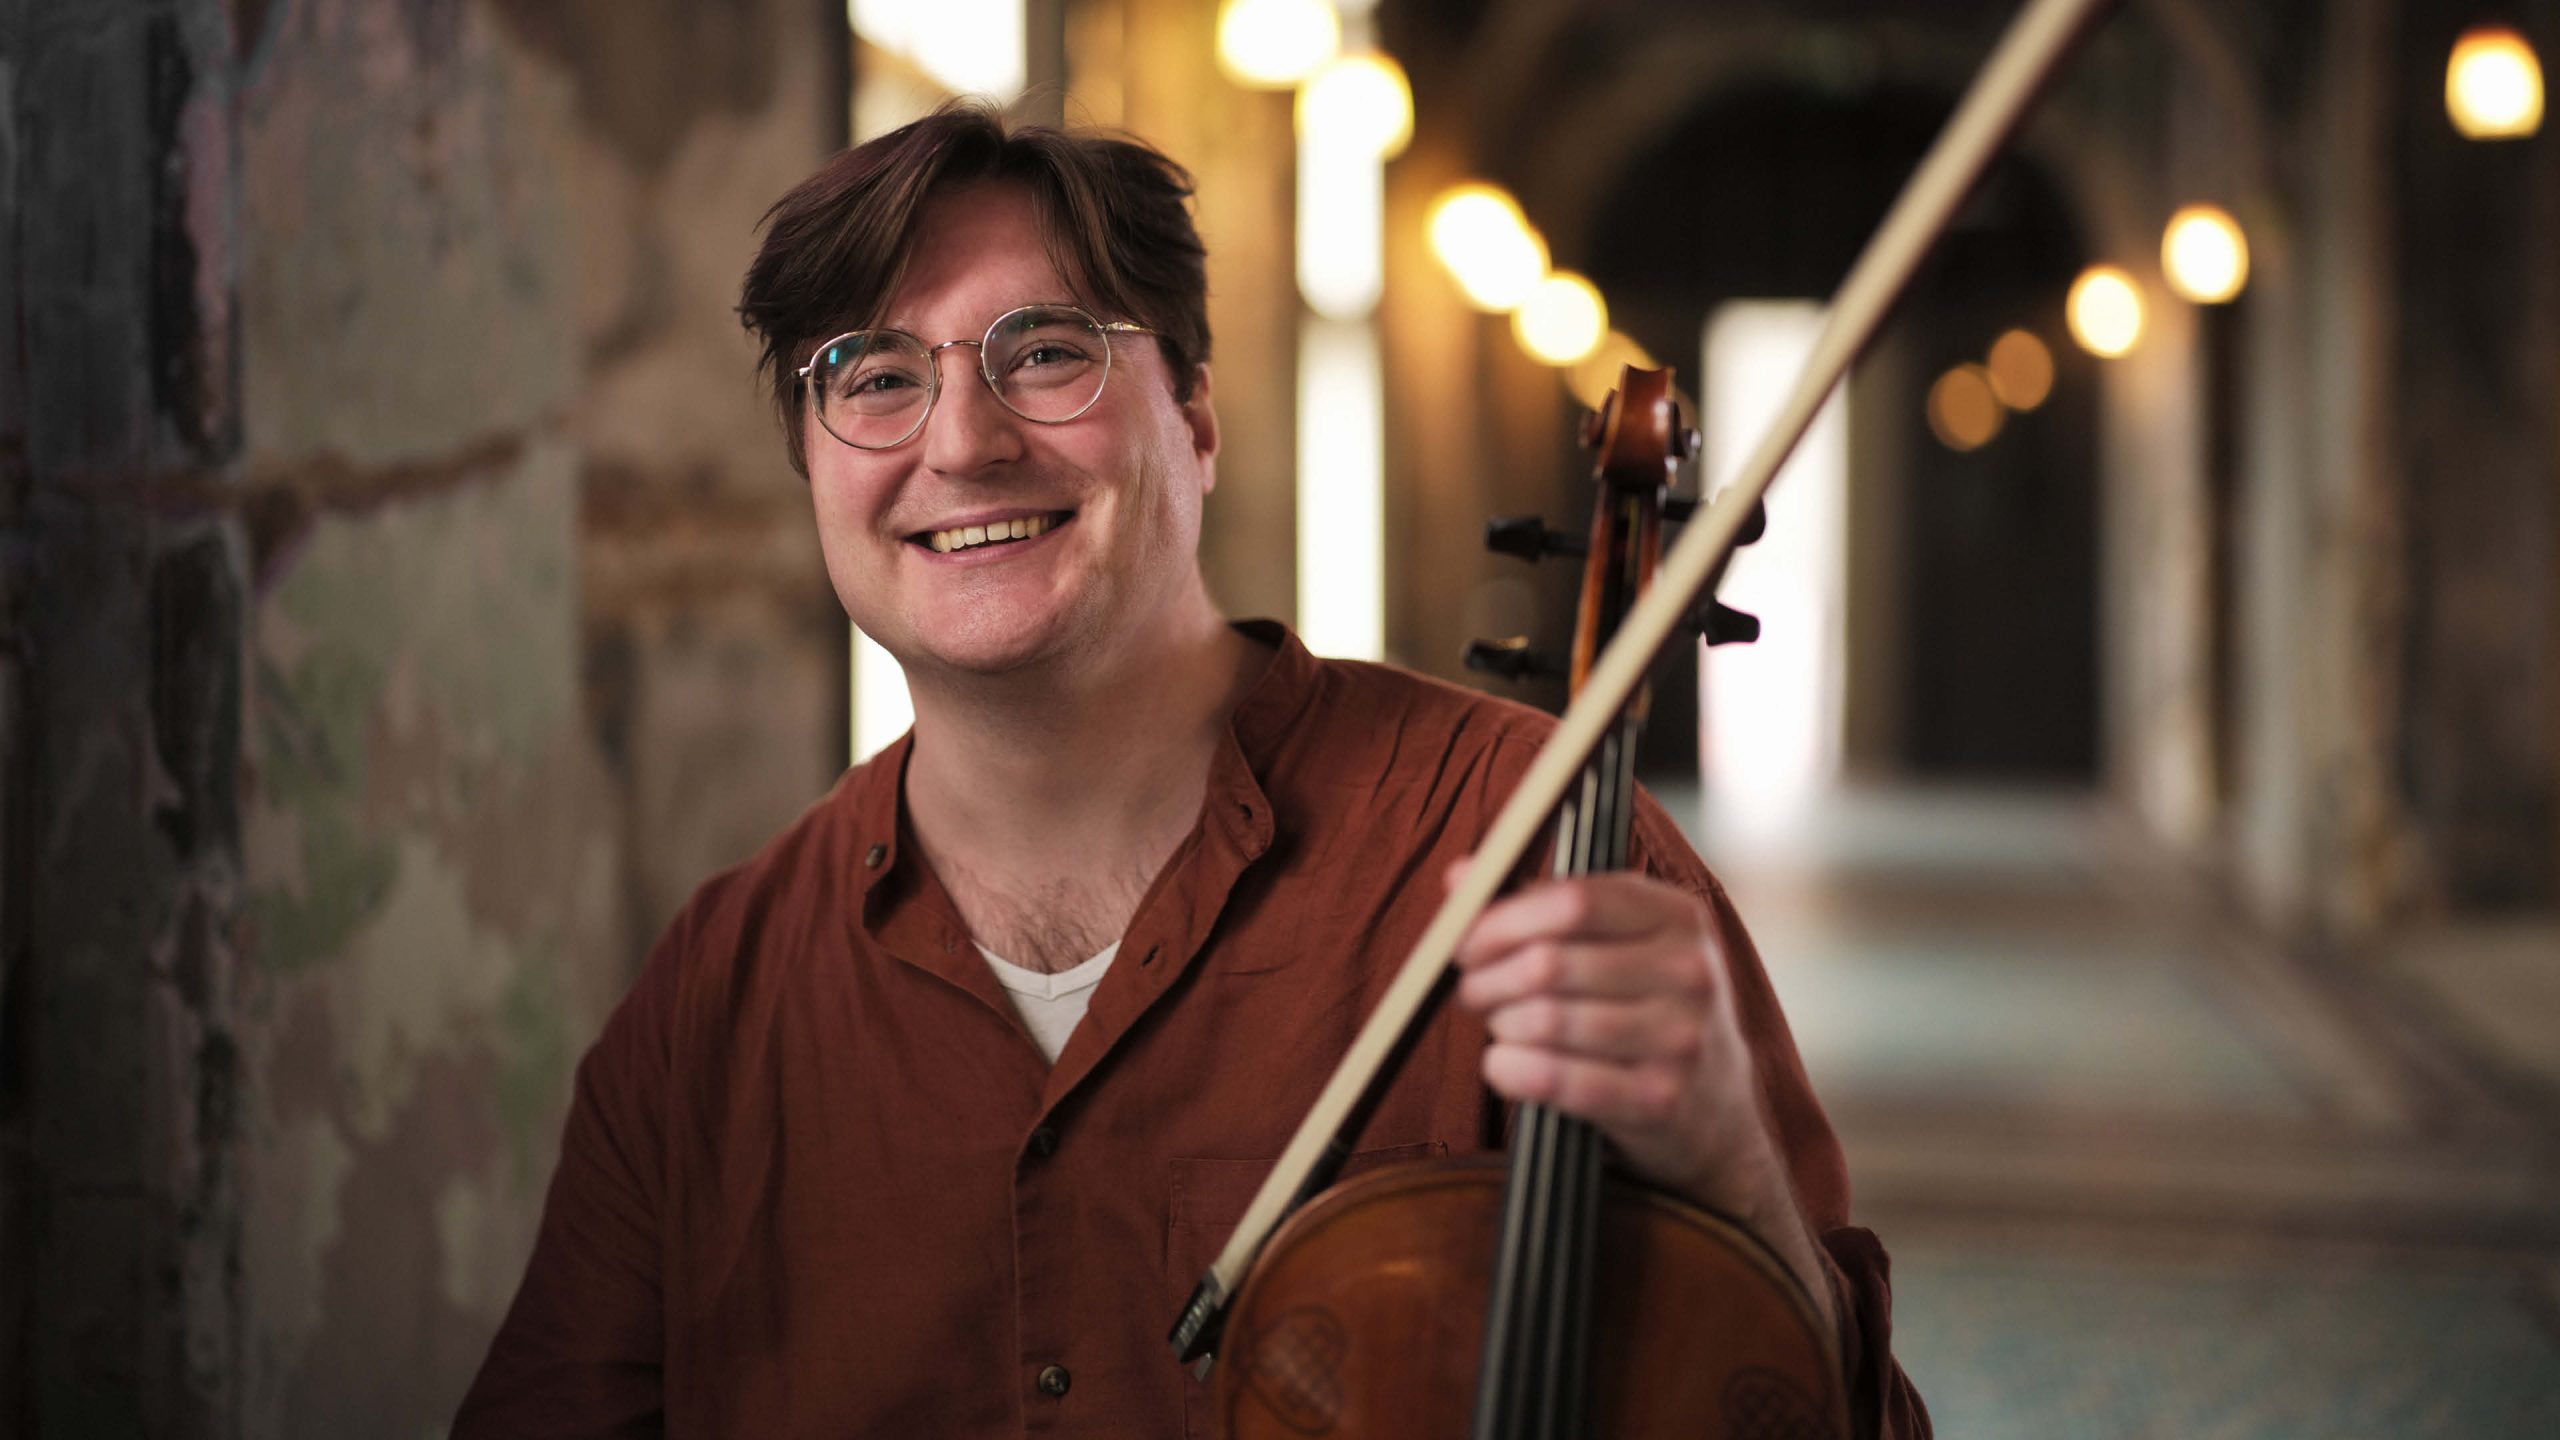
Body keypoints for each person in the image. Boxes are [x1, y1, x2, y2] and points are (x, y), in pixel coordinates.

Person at [455, 102, 1928, 1439]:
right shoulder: (717, 995)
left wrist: (1731, 1170)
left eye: (1045, 352)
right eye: (873, 375)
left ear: (1199, 420)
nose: (962, 442)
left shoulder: (1537, 842)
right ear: (811, 463)